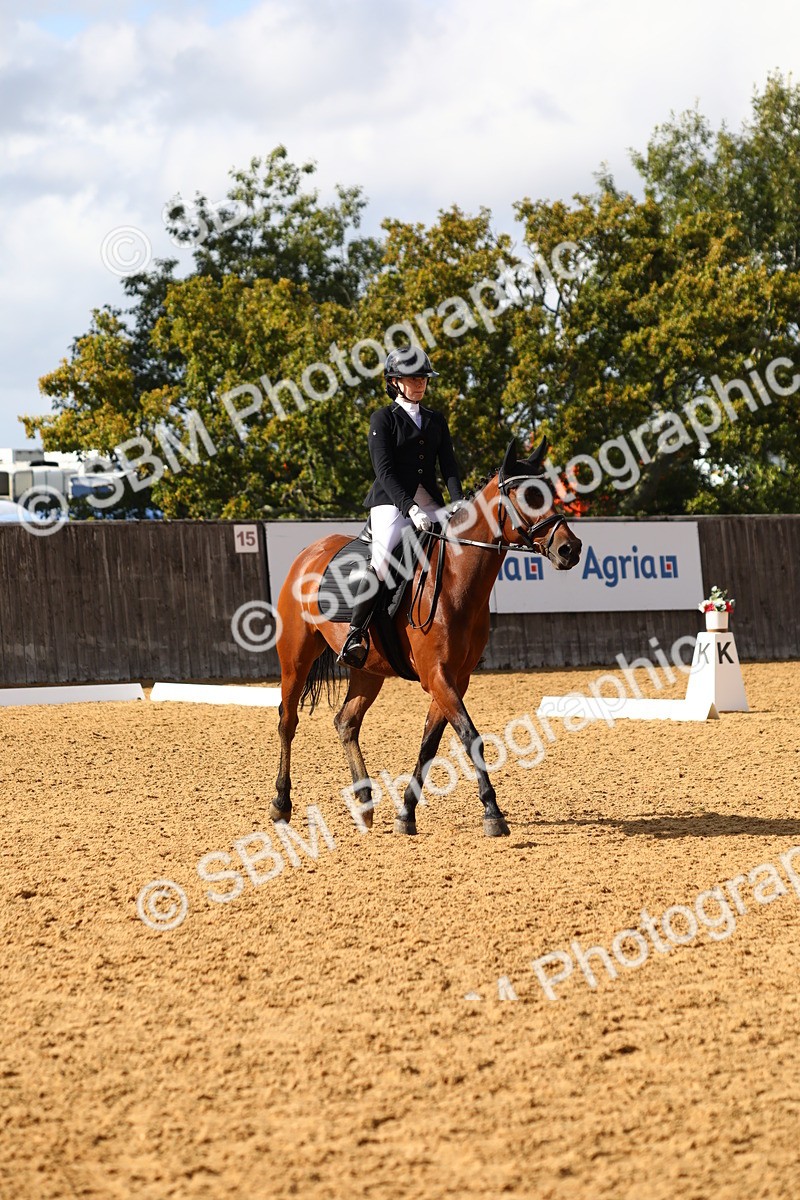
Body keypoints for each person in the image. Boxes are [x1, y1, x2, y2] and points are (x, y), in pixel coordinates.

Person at [337, 345, 464, 668]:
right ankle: (355, 634)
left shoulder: (436, 420)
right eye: (413, 378)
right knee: (381, 562)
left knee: (459, 554)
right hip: (391, 502)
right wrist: (410, 508)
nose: (420, 383)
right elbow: (384, 471)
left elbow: (448, 466)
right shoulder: (384, 418)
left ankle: (461, 633)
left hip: (430, 500)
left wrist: (459, 502)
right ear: (394, 381)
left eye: (423, 378)